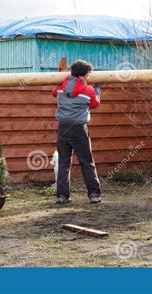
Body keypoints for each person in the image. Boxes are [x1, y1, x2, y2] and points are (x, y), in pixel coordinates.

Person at [52, 60, 102, 204]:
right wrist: (98, 89)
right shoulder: (89, 90)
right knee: (87, 162)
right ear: (81, 76)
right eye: (87, 75)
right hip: (79, 129)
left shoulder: (61, 86)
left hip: (62, 128)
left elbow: (55, 93)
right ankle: (94, 195)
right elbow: (95, 104)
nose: (88, 77)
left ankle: (62, 196)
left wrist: (66, 80)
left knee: (63, 162)